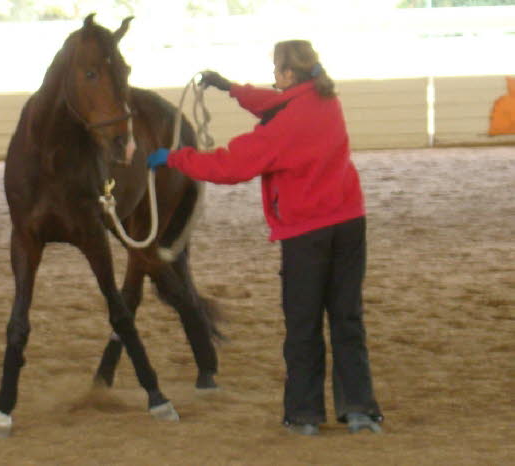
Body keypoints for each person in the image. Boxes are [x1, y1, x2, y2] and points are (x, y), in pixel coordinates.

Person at [147, 40, 383, 435]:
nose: (274, 78)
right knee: (347, 319)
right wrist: (231, 88)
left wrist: (173, 159)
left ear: (289, 74)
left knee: (304, 325)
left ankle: (304, 415)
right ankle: (360, 411)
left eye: (277, 71)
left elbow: (229, 165)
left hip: (307, 232)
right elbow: (274, 102)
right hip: (349, 222)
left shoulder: (282, 129)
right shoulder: (326, 99)